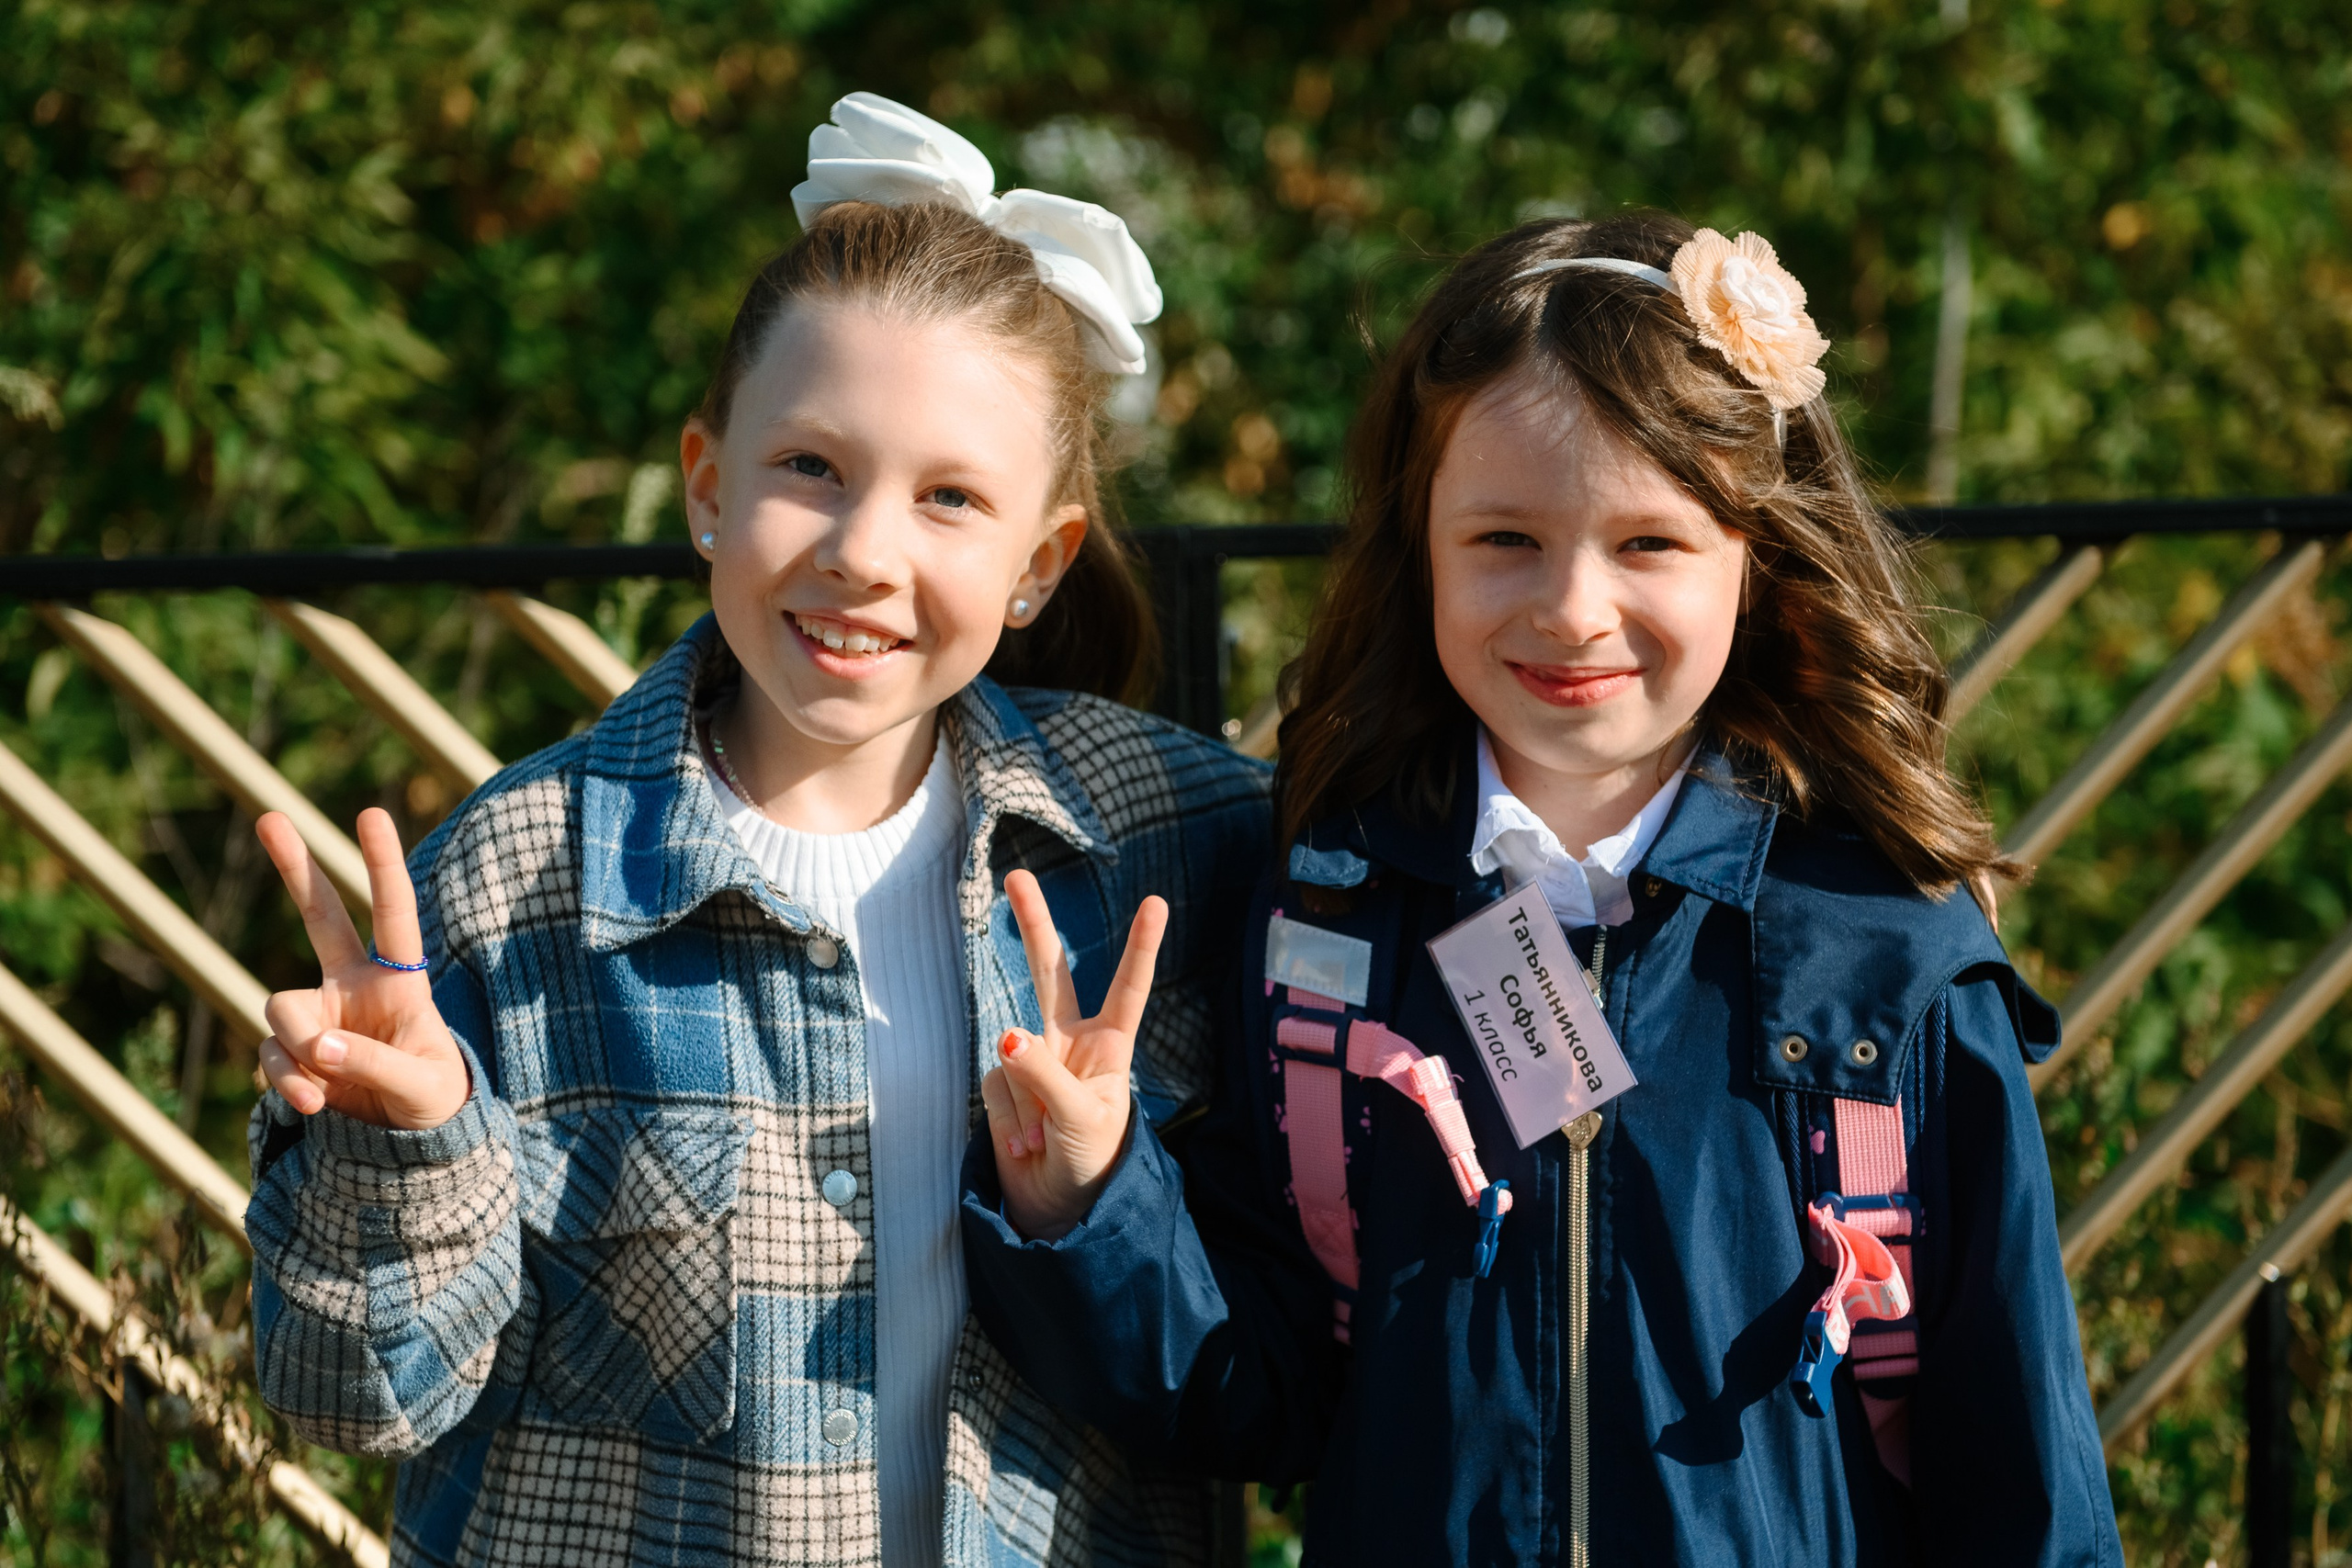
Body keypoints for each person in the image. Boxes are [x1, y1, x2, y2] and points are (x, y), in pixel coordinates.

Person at [962, 213, 2124, 1565]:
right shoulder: (1327, 922)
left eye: (1649, 544)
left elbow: (2024, 1483)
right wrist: (1095, 1201)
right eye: (1506, 538)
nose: (1573, 607)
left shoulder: (1885, 960)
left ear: (1758, 555)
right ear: (1422, 550)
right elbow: (1260, 1393)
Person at [243, 93, 1267, 1568]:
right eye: (811, 471)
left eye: (951, 499)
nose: (863, 553)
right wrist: (407, 1152)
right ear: (711, 484)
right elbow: (348, 1396)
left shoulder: (1174, 838)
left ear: (1040, 564)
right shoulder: (516, 882)